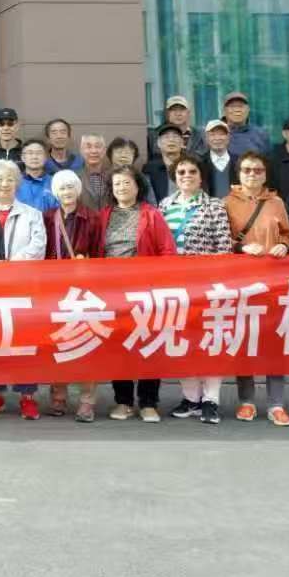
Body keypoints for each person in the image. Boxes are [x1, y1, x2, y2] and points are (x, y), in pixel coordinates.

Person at [98, 166, 174, 421]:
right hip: (112, 292)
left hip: (146, 290)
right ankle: (123, 401)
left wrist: (159, 281)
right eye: (117, 184)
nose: (121, 188)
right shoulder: (104, 215)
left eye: (126, 183)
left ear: (138, 186)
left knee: (148, 344)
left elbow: (167, 251)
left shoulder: (151, 214)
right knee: (118, 345)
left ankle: (149, 402)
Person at [223, 151, 289, 426]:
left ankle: (276, 404)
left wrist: (284, 246)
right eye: (247, 170)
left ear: (265, 175)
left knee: (274, 341)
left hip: (274, 280)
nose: (252, 174)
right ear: (239, 174)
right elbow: (221, 239)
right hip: (240, 281)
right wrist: (241, 247)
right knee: (245, 341)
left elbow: (287, 233)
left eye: (258, 170)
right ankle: (247, 401)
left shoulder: (276, 202)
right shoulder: (226, 203)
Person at [160, 155, 232, 424]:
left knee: (209, 341)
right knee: (181, 341)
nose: (186, 176)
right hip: (173, 285)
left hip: (205, 286)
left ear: (201, 177)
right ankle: (191, 398)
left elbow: (223, 247)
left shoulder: (214, 205)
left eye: (192, 171)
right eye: (181, 172)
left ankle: (211, 400)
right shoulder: (164, 206)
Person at [0, 159, 46, 419]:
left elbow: (38, 245)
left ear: (17, 183)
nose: (4, 184)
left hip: (22, 285)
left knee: (25, 340)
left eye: (10, 179)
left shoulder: (32, 214)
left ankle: (27, 396)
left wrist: (14, 263)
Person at [43, 169, 104, 421]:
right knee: (58, 343)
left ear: (77, 190)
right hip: (54, 289)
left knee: (85, 344)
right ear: (56, 192)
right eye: (62, 188)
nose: (66, 192)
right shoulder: (48, 217)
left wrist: (88, 264)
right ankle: (58, 397)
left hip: (84, 290)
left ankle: (87, 401)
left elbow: (100, 254)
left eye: (70, 187)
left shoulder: (92, 217)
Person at [142, 123, 188, 203]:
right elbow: (149, 199)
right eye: (166, 137)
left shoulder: (192, 166)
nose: (171, 140)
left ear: (182, 143)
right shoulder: (150, 169)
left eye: (175, 137)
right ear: (158, 143)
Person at [221, 91, 270, 158]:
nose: (237, 110)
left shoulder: (261, 135)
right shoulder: (212, 134)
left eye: (241, 106)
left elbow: (266, 161)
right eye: (232, 106)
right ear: (224, 110)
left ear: (248, 109)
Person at [14, 140, 59, 212]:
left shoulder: (55, 183)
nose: (34, 157)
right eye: (30, 153)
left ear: (46, 157)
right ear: (22, 157)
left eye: (39, 153)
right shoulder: (14, 183)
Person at [197, 118, 236, 198]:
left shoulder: (239, 162)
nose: (217, 138)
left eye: (221, 134)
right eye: (212, 135)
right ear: (206, 138)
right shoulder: (199, 163)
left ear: (228, 137)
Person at [75, 134, 112, 211]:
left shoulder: (114, 176)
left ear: (104, 150)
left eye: (97, 146)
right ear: (81, 151)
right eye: (88, 147)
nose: (94, 151)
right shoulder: (74, 177)